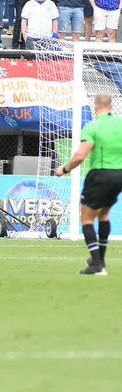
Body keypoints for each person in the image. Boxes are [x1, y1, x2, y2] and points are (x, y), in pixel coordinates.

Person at [55, 94, 122, 275]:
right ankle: (99, 261)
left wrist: (65, 169)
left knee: (86, 218)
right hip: (119, 176)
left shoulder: (92, 126)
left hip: (100, 174)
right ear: (111, 106)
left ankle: (97, 265)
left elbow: (80, 156)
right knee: (103, 215)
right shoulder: (120, 124)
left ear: (95, 106)